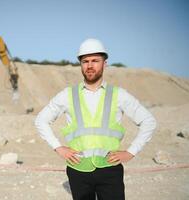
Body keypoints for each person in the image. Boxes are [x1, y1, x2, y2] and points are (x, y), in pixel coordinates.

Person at [35, 38, 157, 200]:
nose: (90, 65)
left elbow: (149, 121)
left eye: (95, 61)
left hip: (109, 169)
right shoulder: (67, 95)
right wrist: (59, 148)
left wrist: (131, 152)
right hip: (78, 169)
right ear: (80, 64)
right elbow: (40, 120)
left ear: (104, 63)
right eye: (85, 61)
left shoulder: (119, 95)